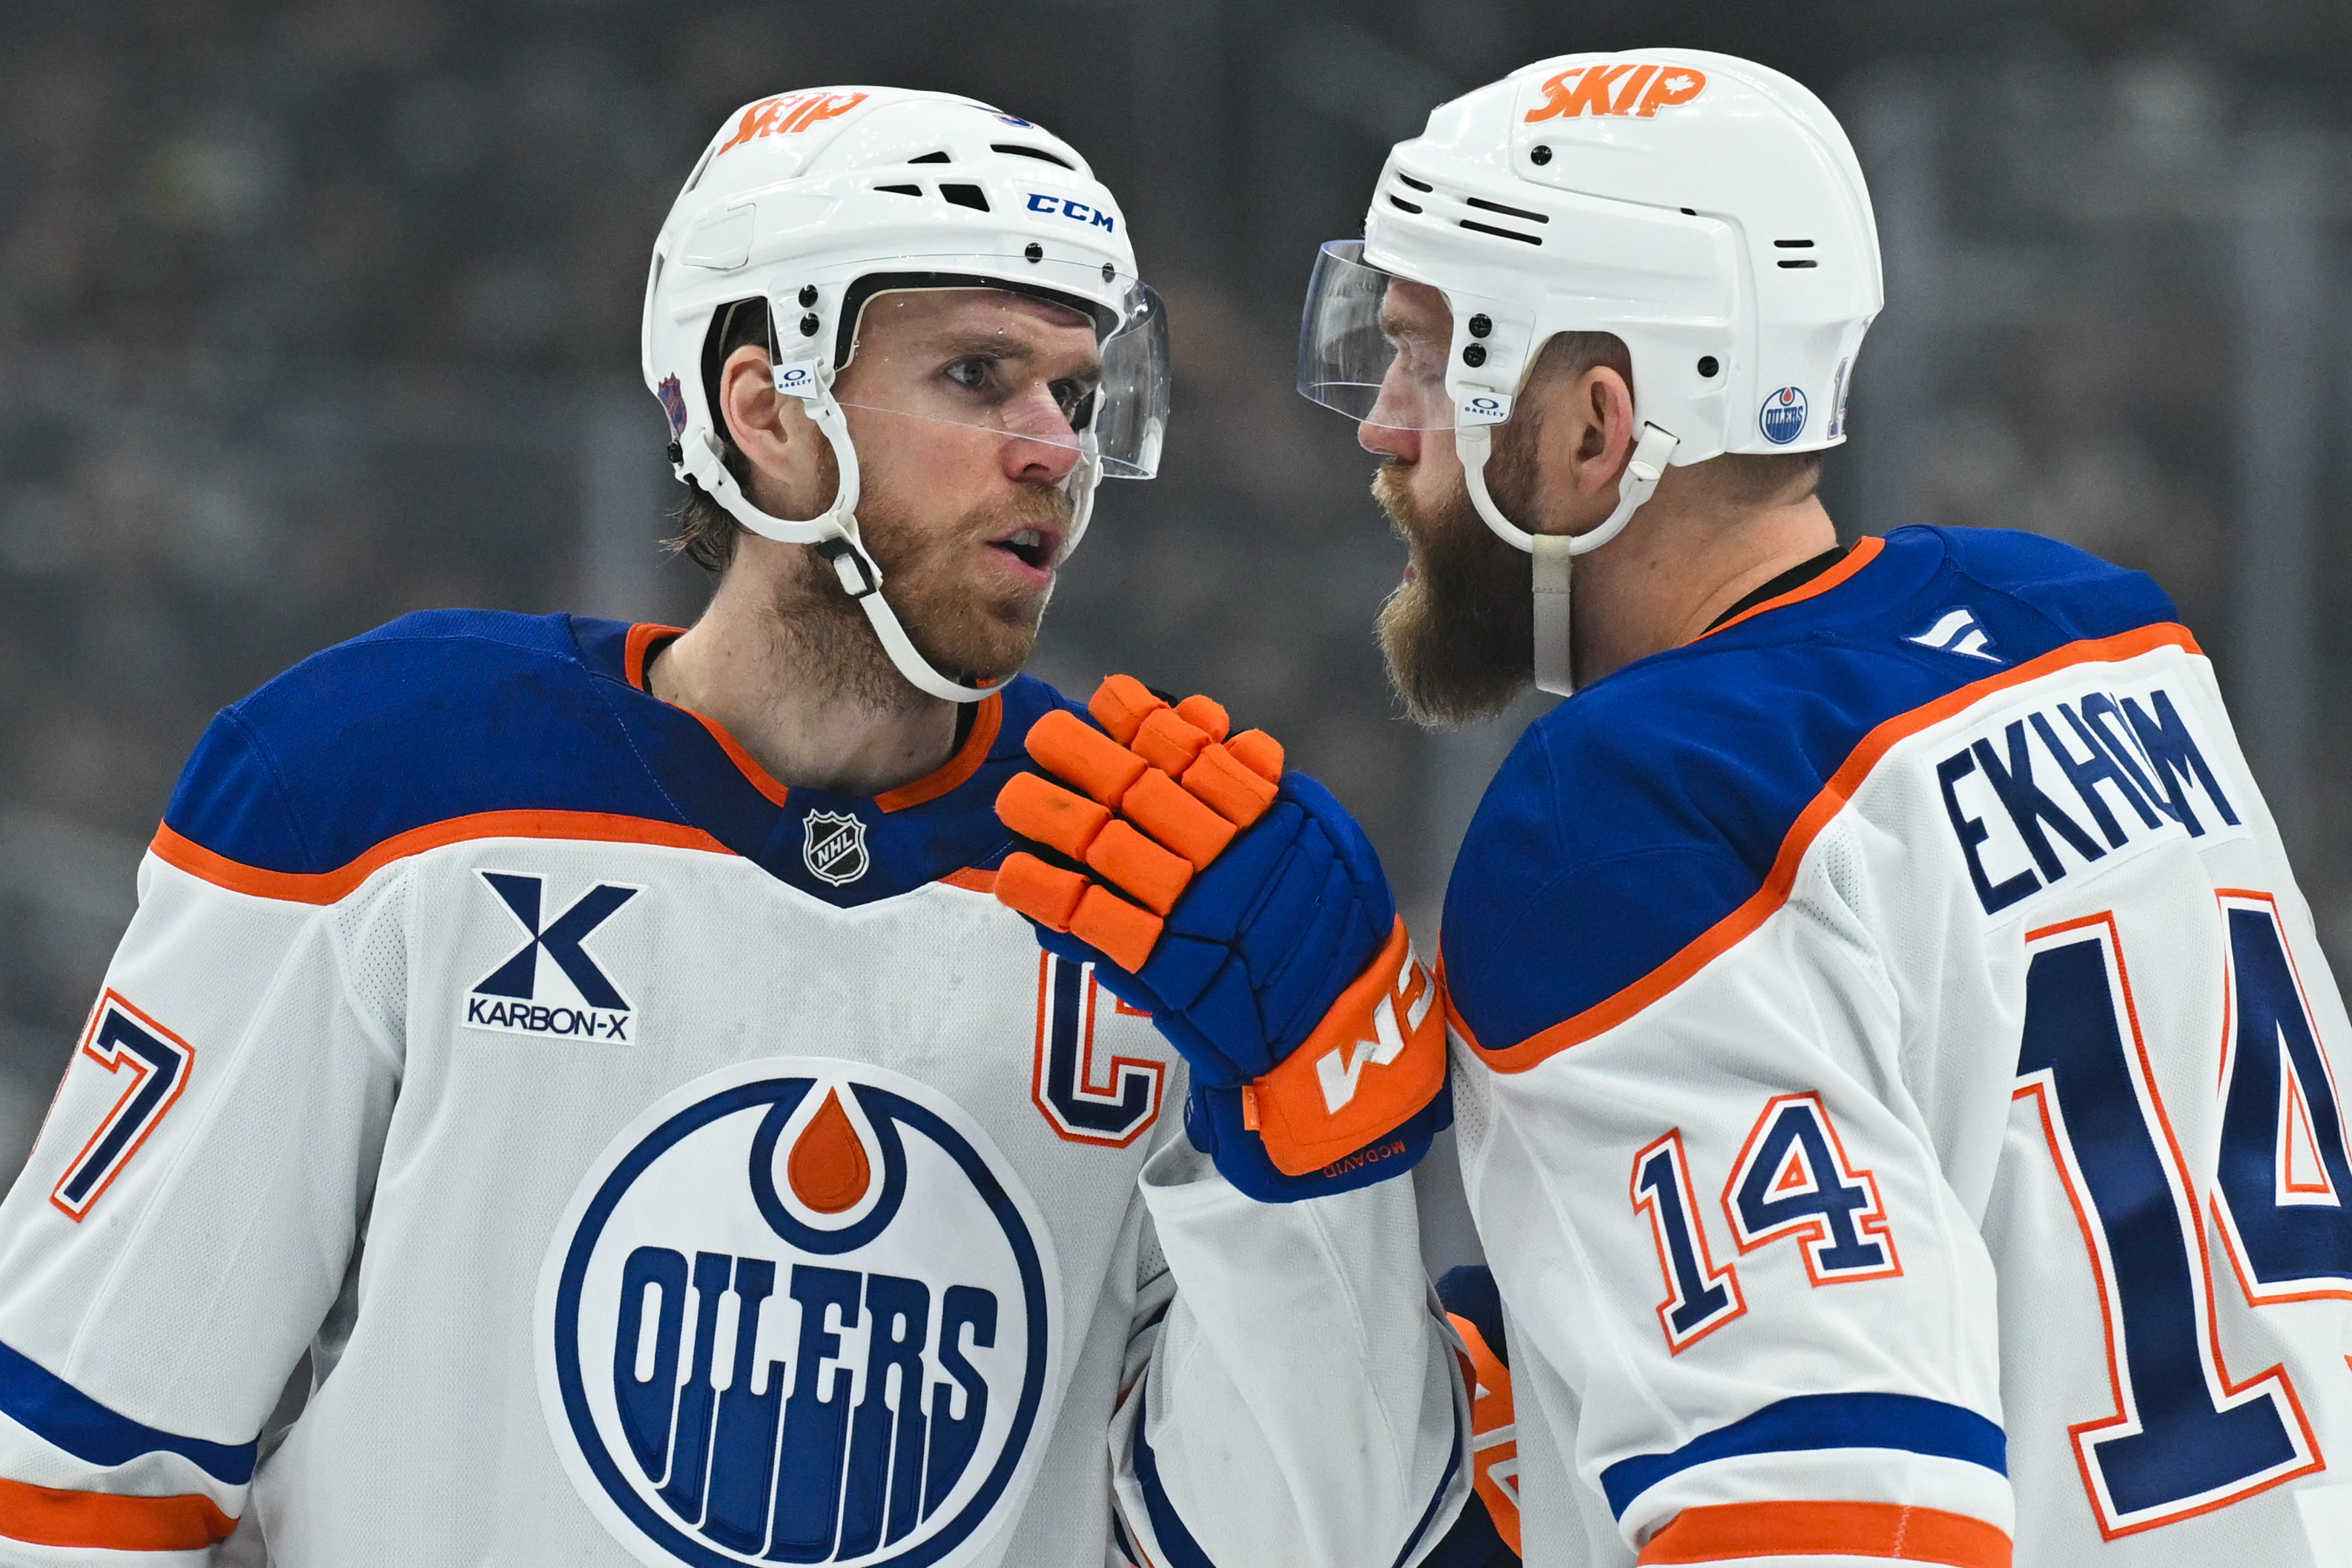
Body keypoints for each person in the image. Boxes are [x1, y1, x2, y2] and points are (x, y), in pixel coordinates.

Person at [0, 87, 1465, 1568]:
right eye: (977, 375)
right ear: (765, 410)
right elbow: (73, 1454)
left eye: (1074, 395)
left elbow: (1301, 1542)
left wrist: (1312, 1172)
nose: (1051, 450)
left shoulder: (1171, 887)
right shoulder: (386, 784)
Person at [1298, 48, 2352, 1568]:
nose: (1381, 424)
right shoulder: (2099, 631)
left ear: (1596, 427)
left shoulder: (1622, 809)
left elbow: (1839, 1523)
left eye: (1421, 357)